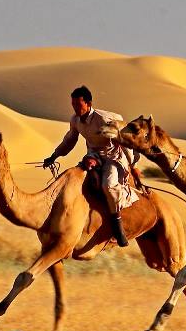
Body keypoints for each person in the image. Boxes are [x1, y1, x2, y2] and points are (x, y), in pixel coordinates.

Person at [42, 85, 137, 247]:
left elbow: (123, 139)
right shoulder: (76, 120)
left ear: (88, 104)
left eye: (78, 105)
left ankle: (117, 227)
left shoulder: (104, 119)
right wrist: (54, 156)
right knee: (73, 179)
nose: (76, 108)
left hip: (112, 157)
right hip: (93, 155)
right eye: (73, 105)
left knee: (108, 186)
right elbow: (69, 140)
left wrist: (132, 164)